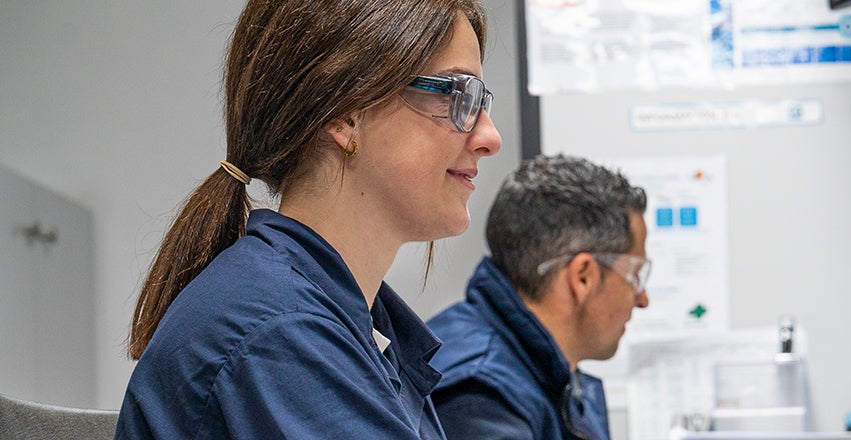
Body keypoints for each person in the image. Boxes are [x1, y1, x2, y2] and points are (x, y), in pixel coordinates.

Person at [114, 0, 501, 437]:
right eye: (458, 95)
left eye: (480, 102)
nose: (490, 137)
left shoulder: (352, 326)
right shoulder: (281, 334)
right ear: (345, 114)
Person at [427, 155, 652, 439]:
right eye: (635, 275)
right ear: (583, 276)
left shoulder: (547, 374)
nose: (643, 299)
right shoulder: (482, 397)